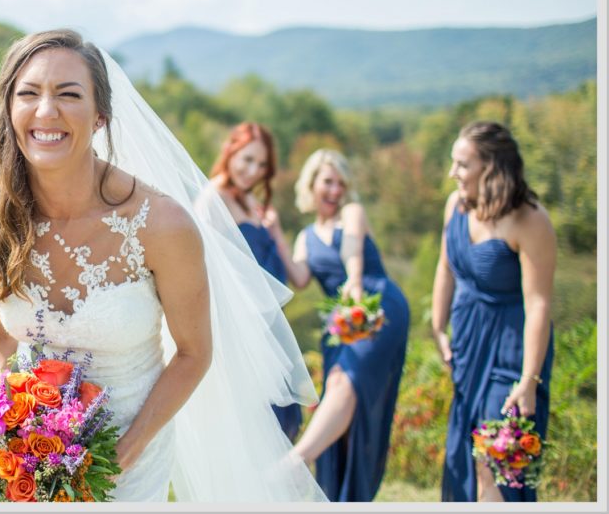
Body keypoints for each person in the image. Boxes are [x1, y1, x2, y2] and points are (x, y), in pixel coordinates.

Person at [0, 29, 326, 502]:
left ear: (101, 116)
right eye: (28, 94)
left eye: (69, 94)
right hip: (32, 460)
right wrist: (9, 419)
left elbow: (194, 353)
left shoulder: (162, 224)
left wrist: (124, 453)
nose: (46, 111)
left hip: (131, 457)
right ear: (9, 109)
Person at [432, 121, 555, 502]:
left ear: (492, 167)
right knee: (467, 455)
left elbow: (539, 304)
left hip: (512, 349)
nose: (453, 173)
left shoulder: (530, 220)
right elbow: (445, 267)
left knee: (496, 456)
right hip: (468, 343)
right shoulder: (455, 205)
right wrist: (438, 328)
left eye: (462, 164)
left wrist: (529, 379)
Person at [282, 148, 410, 501]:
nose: (335, 190)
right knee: (338, 382)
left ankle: (296, 462)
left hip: (375, 306)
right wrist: (275, 231)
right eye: (328, 181)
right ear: (312, 185)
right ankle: (330, 486)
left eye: (341, 183)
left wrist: (354, 283)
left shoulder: (352, 213)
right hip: (338, 323)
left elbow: (352, 250)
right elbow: (300, 277)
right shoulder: (305, 236)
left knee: (348, 380)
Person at [208, 121, 302, 442]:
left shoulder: (249, 201)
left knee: (280, 424)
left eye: (261, 165)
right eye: (247, 159)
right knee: (254, 428)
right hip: (241, 329)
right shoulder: (213, 199)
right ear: (230, 151)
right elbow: (210, 272)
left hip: (269, 324)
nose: (253, 170)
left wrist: (273, 232)